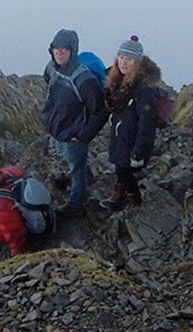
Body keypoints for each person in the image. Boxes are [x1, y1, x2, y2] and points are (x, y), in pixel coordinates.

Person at [39, 28, 108, 216]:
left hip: (74, 135)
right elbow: (49, 85)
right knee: (74, 162)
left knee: (75, 169)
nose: (59, 52)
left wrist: (82, 134)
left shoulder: (85, 80)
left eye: (64, 49)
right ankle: (88, 176)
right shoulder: (52, 68)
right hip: (58, 130)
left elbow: (100, 112)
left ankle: (75, 204)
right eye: (56, 49)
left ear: (73, 50)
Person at [100, 35, 160, 211]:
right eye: (121, 58)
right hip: (121, 136)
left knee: (125, 170)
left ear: (138, 63)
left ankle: (135, 201)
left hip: (132, 140)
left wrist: (139, 153)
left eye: (129, 59)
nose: (124, 63)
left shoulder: (143, 89)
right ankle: (120, 194)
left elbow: (147, 124)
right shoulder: (118, 82)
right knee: (121, 169)